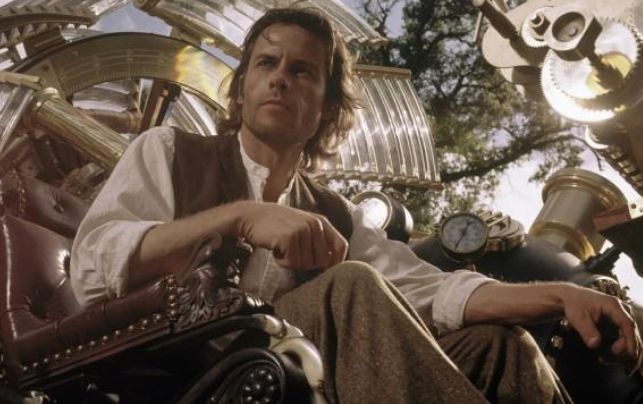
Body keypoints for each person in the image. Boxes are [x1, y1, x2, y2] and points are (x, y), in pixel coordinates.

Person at [70, 7, 639, 403]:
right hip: (178, 372)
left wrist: (564, 295)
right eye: (266, 64)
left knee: (500, 347)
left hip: (297, 369)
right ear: (242, 87)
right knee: (349, 285)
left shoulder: (336, 214)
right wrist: (241, 216)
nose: (279, 80)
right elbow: (94, 264)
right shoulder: (169, 150)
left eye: (301, 71)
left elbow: (437, 291)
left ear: (325, 107)